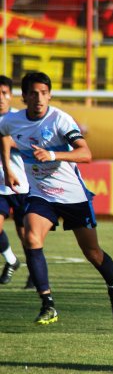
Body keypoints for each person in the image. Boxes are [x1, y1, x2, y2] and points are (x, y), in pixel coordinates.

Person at [0, 72, 113, 326]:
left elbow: (86, 153)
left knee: (92, 252)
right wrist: (8, 170)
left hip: (72, 196)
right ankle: (48, 303)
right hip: (41, 195)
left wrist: (54, 155)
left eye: (44, 93)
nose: (39, 98)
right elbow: (3, 134)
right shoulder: (12, 120)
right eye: (34, 93)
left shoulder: (60, 120)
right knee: (31, 237)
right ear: (24, 96)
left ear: (50, 95)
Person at [0, 75, 28, 286]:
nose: (0, 98)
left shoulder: (20, 119)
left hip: (21, 185)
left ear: (11, 96)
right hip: (0, 186)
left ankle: (35, 275)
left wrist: (10, 142)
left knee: (25, 234)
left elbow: (31, 145)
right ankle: (11, 260)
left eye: (4, 93)